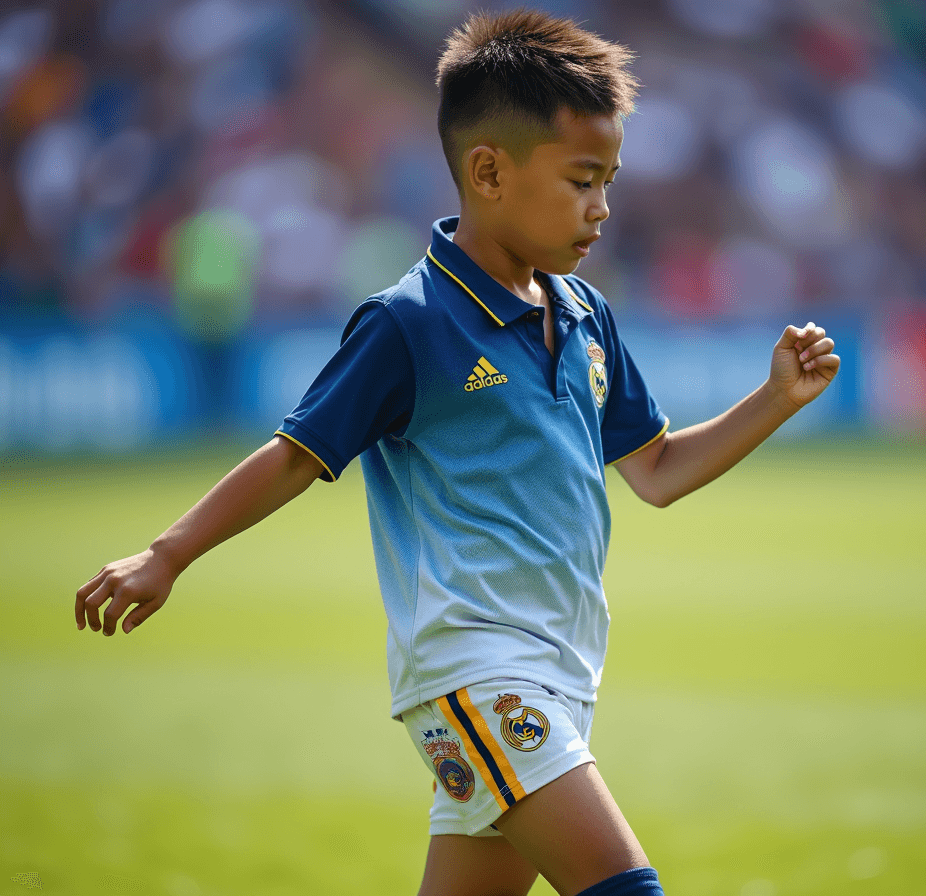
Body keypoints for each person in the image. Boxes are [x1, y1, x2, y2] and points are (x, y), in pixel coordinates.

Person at [74, 9, 840, 896]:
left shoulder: (586, 317)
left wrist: (775, 401)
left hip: (561, 670)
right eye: (583, 180)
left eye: (610, 181)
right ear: (488, 171)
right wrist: (168, 555)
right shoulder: (410, 324)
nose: (602, 207)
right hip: (474, 671)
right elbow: (295, 453)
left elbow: (659, 471)